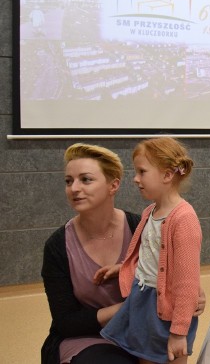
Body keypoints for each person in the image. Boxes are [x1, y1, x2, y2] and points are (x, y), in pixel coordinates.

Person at [101, 137, 203, 363]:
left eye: (142, 172)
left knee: (169, 357)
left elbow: (187, 282)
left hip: (168, 309)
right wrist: (123, 268)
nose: (136, 179)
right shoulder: (150, 211)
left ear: (167, 175)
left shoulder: (184, 218)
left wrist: (178, 332)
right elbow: (152, 256)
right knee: (145, 357)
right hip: (144, 301)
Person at [41, 143, 140, 364]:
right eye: (69, 181)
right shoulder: (57, 246)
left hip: (141, 331)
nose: (74, 188)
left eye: (85, 179)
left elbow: (170, 276)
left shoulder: (141, 228)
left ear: (113, 185)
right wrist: (124, 308)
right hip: (87, 338)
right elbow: (66, 322)